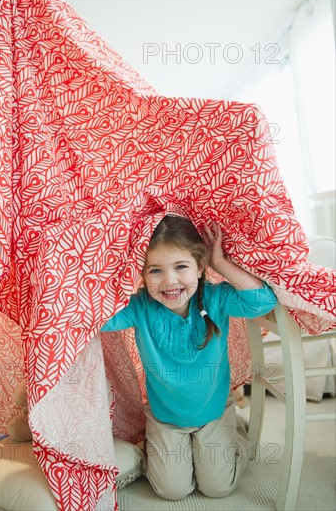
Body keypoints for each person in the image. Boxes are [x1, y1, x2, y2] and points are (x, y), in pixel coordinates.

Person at [101, 215, 278, 501]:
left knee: (217, 487)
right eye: (155, 270)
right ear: (143, 275)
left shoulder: (215, 298)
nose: (169, 281)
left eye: (180, 267)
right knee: (172, 490)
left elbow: (263, 301)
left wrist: (219, 262)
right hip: (165, 418)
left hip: (213, 413)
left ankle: (238, 431)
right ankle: (164, 448)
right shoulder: (139, 308)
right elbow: (94, 318)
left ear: (199, 266)